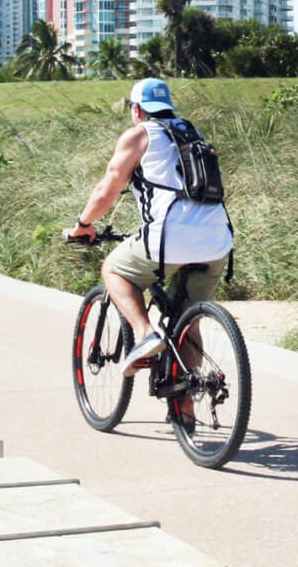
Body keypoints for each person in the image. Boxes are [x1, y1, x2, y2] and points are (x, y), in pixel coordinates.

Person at [64, 78, 232, 363]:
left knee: (113, 270)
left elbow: (107, 190)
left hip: (170, 238)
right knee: (187, 323)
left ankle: (144, 334)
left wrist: (83, 224)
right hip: (217, 240)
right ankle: (185, 406)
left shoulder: (138, 135)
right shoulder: (192, 131)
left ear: (137, 110)